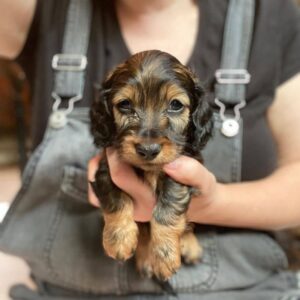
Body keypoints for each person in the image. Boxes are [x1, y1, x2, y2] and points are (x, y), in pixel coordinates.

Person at [0, 0, 300, 299]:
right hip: (74, 287)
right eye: (125, 106)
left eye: (175, 106)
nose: (149, 140)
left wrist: (210, 205)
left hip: (240, 287)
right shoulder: (44, 11)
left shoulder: (268, 13)